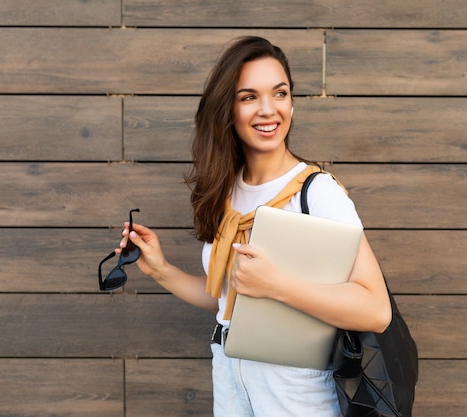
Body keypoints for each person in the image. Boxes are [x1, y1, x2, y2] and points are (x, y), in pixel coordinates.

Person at [116, 36, 392, 417]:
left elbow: (376, 309)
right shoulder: (227, 191)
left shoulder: (316, 191)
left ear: (291, 102)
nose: (268, 110)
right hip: (230, 374)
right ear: (227, 108)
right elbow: (229, 299)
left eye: (279, 93)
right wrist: (161, 270)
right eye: (249, 97)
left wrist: (278, 285)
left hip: (294, 386)